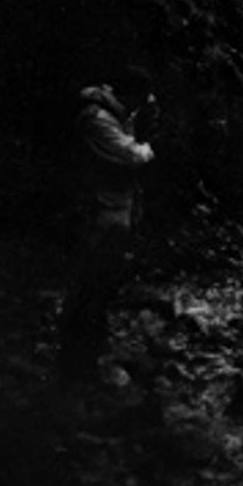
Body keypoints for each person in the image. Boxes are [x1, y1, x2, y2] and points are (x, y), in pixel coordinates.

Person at [58, 67, 157, 383]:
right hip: (98, 212)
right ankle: (74, 365)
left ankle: (86, 358)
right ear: (127, 94)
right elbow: (130, 155)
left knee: (102, 285)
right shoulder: (97, 118)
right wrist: (150, 146)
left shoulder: (117, 113)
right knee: (89, 284)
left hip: (114, 210)